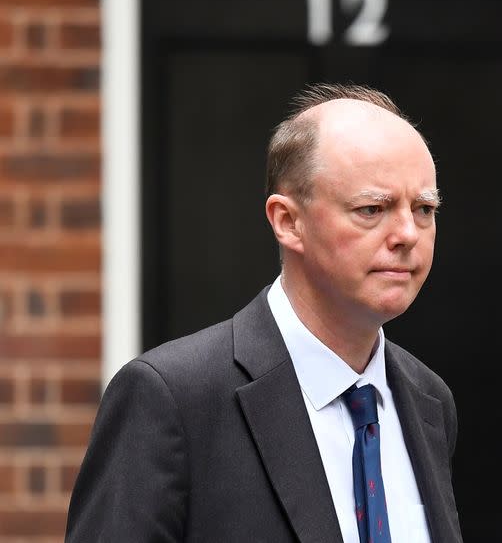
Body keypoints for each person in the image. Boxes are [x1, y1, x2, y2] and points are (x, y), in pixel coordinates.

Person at [65, 83, 463, 542]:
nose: (407, 234)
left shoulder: (428, 400)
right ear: (287, 221)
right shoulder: (172, 398)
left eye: (425, 208)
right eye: (372, 209)